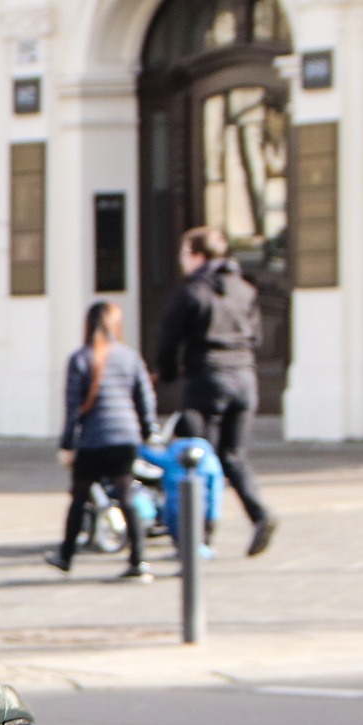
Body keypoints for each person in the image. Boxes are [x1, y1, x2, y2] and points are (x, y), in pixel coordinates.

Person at [156, 225, 276, 555]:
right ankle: (260, 514)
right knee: (233, 456)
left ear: (197, 255)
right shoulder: (245, 290)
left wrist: (165, 374)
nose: (181, 261)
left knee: (198, 457)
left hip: (208, 379)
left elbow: (168, 342)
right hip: (244, 379)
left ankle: (200, 535)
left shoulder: (192, 292)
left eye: (183, 253)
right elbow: (257, 338)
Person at [48, 300, 155, 581]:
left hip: (94, 439)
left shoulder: (80, 359)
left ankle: (66, 555)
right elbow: (145, 398)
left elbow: (72, 408)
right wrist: (146, 431)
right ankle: (139, 559)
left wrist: (67, 443)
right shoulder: (130, 357)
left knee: (79, 497)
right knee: (126, 496)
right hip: (125, 437)